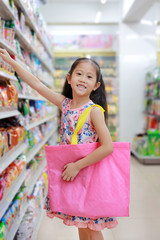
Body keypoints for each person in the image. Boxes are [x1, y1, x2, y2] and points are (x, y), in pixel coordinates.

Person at [0, 48, 118, 240]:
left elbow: (108, 146)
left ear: (96, 85)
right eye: (79, 74)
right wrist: (11, 62)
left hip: (87, 175)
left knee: (92, 227)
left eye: (89, 77)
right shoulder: (64, 104)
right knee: (82, 225)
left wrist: (77, 166)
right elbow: (37, 84)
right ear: (69, 78)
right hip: (73, 176)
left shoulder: (94, 111)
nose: (82, 79)